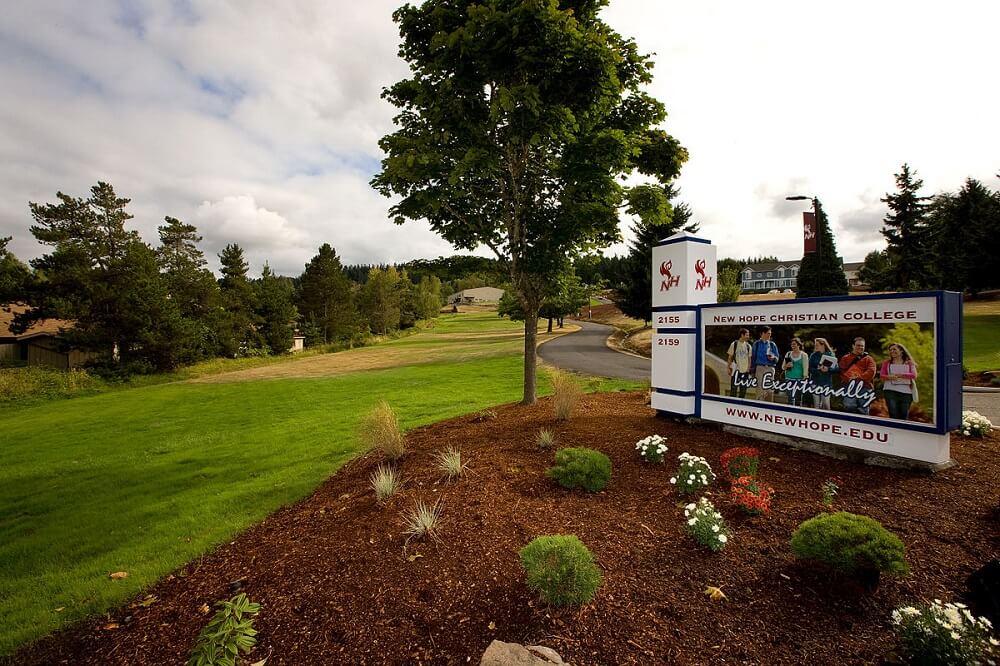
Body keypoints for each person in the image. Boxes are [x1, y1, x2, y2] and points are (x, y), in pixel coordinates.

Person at [838, 337, 876, 414]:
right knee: (849, 407)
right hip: (849, 387)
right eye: (858, 345)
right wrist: (849, 379)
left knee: (864, 409)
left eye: (862, 346)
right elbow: (841, 371)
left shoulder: (869, 359)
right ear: (853, 346)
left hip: (865, 386)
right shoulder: (845, 358)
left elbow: (871, 371)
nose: (860, 347)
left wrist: (858, 378)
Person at [880, 342, 918, 420]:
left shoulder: (909, 363)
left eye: (894, 349)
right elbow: (881, 376)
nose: (892, 351)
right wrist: (889, 377)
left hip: (906, 392)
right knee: (893, 414)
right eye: (890, 350)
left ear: (901, 351)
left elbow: (914, 375)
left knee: (904, 416)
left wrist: (901, 375)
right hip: (890, 390)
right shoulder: (887, 363)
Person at [749, 326, 780, 402]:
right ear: (762, 333)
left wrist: (773, 358)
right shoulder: (756, 344)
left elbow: (777, 358)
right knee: (759, 389)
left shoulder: (772, 345)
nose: (770, 335)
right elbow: (753, 359)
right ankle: (759, 407)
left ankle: (769, 407)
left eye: (770, 333)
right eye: (768, 333)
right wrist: (752, 372)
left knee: (769, 390)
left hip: (770, 368)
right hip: (759, 368)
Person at [808, 337, 838, 410]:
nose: (815, 346)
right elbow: (809, 368)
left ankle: (828, 420)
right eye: (815, 345)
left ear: (823, 345)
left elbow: (836, 369)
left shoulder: (830, 355)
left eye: (817, 345)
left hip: (826, 383)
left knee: (826, 404)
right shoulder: (813, 355)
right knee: (816, 405)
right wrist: (817, 370)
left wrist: (828, 369)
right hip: (815, 382)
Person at [782, 337, 809, 406]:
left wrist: (805, 378)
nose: (792, 346)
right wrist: (787, 366)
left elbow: (806, 368)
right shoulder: (788, 354)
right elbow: (783, 367)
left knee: (798, 399)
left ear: (798, 345)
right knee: (790, 399)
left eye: (794, 344)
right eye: (792, 345)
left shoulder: (804, 355)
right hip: (788, 379)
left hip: (799, 380)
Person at [726, 328, 752, 398]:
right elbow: (730, 357)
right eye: (746, 335)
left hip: (745, 371)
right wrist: (728, 368)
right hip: (735, 370)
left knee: (743, 390)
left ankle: (741, 405)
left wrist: (748, 369)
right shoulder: (734, 344)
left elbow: (749, 358)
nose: (748, 337)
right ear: (742, 335)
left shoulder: (748, 346)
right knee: (733, 389)